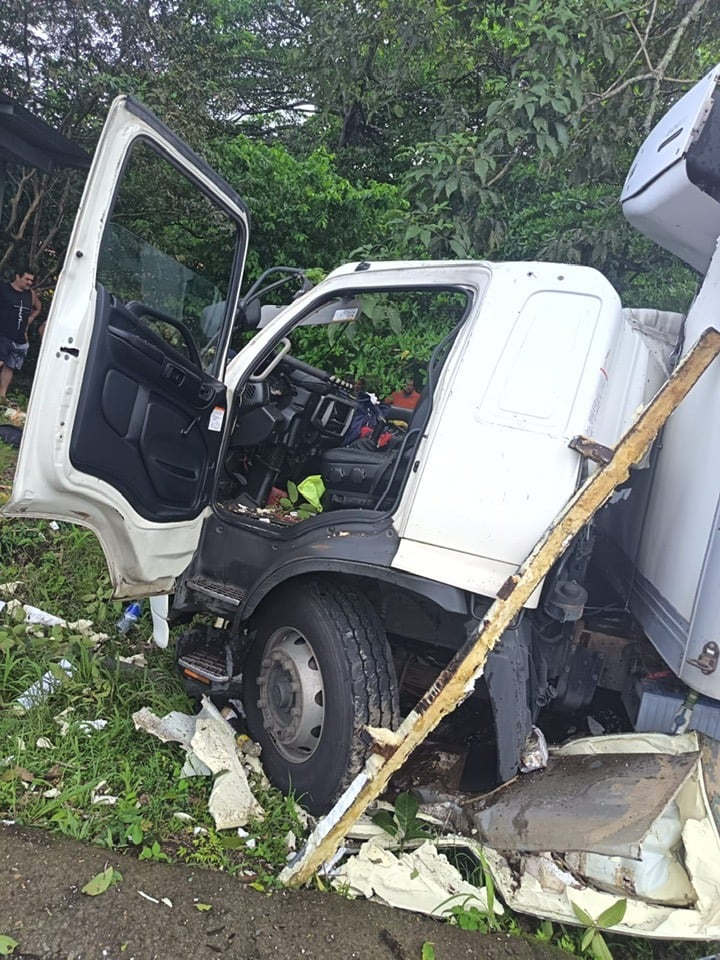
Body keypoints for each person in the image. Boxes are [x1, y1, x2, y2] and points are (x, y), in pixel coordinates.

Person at [0, 264, 41, 399]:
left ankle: (2, 395)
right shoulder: (4, 289)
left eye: (31, 280)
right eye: (26, 279)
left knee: (10, 366)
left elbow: (38, 308)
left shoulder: (30, 294)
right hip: (3, 333)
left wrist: (30, 319)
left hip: (19, 336)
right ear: (18, 276)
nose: (29, 282)